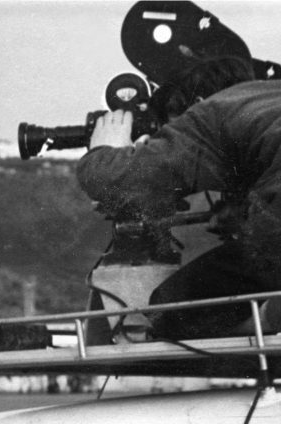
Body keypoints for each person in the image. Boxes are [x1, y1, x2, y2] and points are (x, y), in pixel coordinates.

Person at [76, 56, 281, 339]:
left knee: (172, 309)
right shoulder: (267, 98)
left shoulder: (212, 110)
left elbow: (113, 179)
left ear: (196, 101)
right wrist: (243, 213)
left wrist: (106, 149)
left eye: (172, 127)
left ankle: (272, 318)